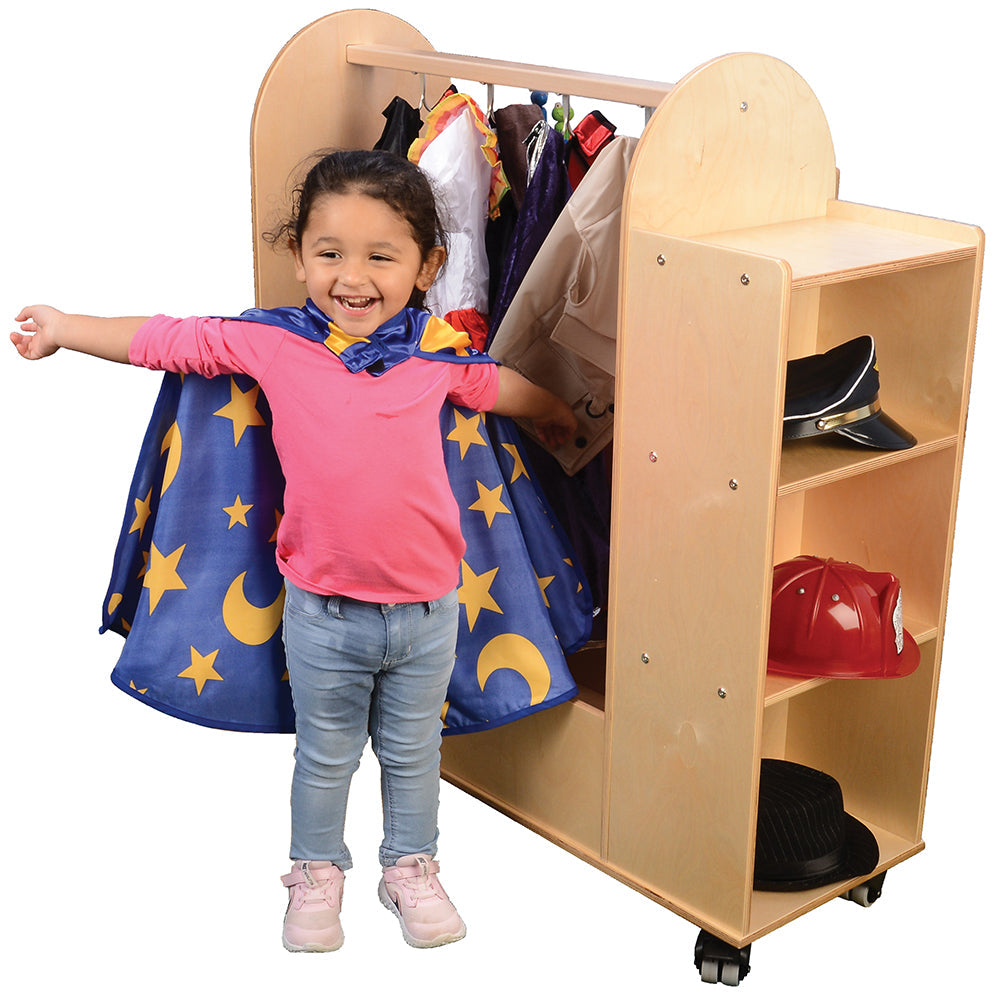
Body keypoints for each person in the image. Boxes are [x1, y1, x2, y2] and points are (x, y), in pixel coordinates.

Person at [10, 149, 577, 953]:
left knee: (414, 756)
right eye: (330, 252)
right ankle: (316, 873)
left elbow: (500, 385)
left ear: (428, 265)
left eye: (382, 255)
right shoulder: (275, 346)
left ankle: (409, 868)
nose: (353, 276)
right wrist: (68, 330)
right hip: (323, 615)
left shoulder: (434, 357)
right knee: (327, 756)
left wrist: (555, 415)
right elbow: (168, 340)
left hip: (427, 612)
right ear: (298, 254)